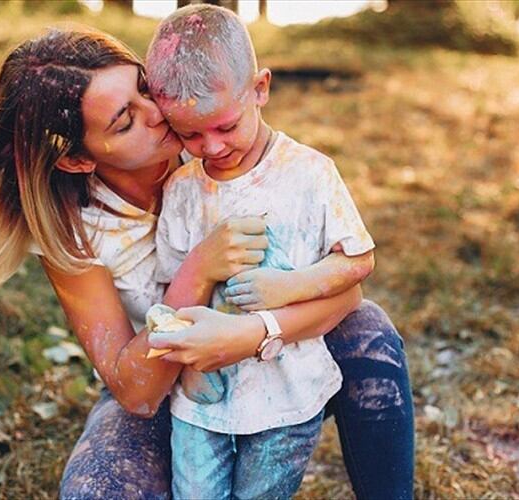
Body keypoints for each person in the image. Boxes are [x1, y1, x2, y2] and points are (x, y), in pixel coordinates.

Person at [0, 26, 414, 500]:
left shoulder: (211, 140)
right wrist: (196, 270)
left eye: (144, 89)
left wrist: (253, 333)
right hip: (171, 390)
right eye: (125, 121)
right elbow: (136, 391)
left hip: (281, 356)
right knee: (96, 491)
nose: (159, 113)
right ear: (78, 158)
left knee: (367, 331)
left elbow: (347, 292)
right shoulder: (73, 233)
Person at [143, 5, 380, 499]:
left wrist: (289, 286)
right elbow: (171, 284)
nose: (210, 147)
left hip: (284, 396)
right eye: (189, 134)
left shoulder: (309, 174)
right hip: (200, 401)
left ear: (260, 89)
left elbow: (358, 260)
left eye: (226, 126)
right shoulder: (183, 188)